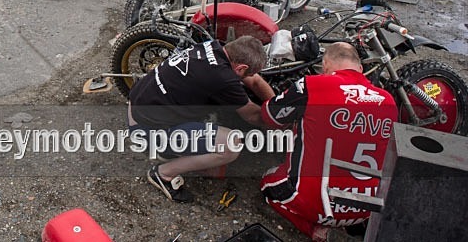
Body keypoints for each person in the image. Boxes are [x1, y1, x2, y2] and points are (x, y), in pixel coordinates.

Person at [261, 42, 398, 241]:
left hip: (317, 205)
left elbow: (269, 116)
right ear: (360, 69)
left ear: (325, 65)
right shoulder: (389, 101)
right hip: (366, 207)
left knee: (268, 183)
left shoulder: (313, 85)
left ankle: (314, 230)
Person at [128, 36, 275, 202]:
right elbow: (253, 115)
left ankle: (186, 151)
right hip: (147, 130)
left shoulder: (213, 46)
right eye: (248, 72)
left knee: (213, 108)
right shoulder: (222, 78)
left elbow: (254, 81)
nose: (251, 75)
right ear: (241, 67)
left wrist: (275, 101)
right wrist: (280, 120)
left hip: (138, 106)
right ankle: (163, 174)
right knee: (232, 145)